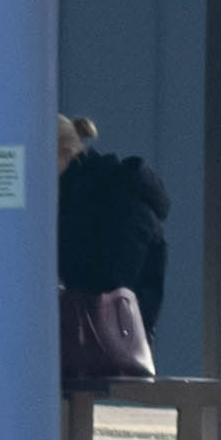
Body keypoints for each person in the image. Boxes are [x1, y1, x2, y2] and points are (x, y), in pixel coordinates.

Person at [58, 114, 170, 388]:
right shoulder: (84, 193)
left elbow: (112, 274)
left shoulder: (111, 194)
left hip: (109, 336)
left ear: (65, 153)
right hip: (104, 335)